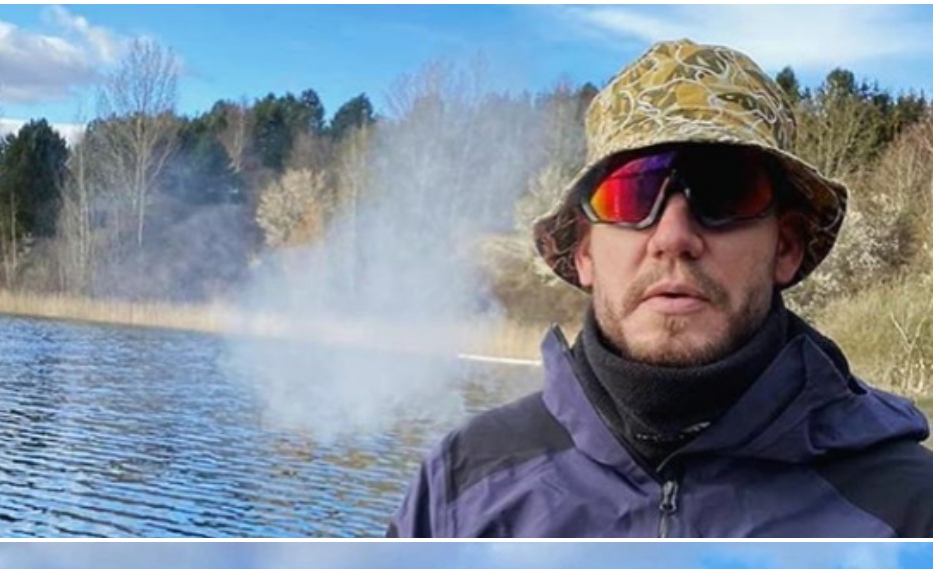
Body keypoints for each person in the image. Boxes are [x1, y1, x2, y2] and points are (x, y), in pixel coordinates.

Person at [390, 40, 932, 538]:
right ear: (584, 252)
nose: (673, 238)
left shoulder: (909, 504)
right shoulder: (461, 483)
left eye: (726, 193)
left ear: (785, 247)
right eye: (630, 197)